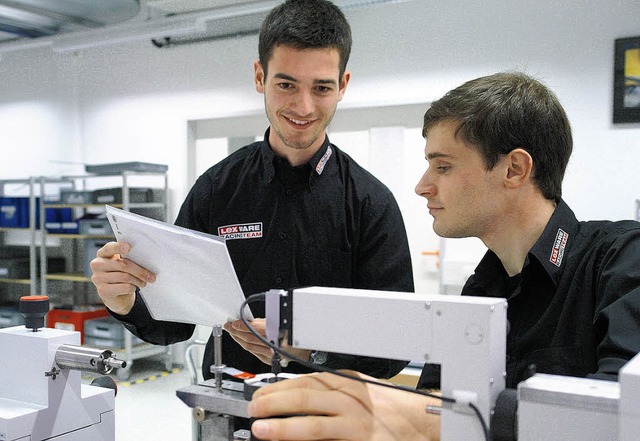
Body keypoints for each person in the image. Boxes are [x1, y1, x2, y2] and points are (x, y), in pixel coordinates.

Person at [245, 71, 640, 440]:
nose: (422, 186)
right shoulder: (482, 291)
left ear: (514, 169)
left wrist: (427, 417)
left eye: (443, 167)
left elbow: (620, 417)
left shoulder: (621, 262)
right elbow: (431, 403)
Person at [90, 0, 413, 385]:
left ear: (342, 86)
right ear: (260, 76)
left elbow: (396, 343)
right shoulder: (216, 189)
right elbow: (171, 326)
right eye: (286, 84)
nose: (303, 105)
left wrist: (313, 350)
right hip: (227, 401)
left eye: (321, 87)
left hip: (329, 410)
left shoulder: (370, 203)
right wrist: (122, 300)